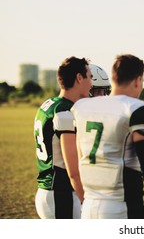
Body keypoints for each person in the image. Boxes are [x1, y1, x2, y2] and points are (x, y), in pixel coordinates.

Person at [71, 54, 144, 219]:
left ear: (114, 78)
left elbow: (80, 157)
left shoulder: (82, 107)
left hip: (89, 205)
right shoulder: (137, 109)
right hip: (121, 206)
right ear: (138, 80)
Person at [33, 56, 92, 219]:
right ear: (79, 78)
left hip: (46, 191)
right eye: (90, 77)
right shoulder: (66, 112)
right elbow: (73, 172)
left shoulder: (49, 104)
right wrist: (86, 202)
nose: (92, 84)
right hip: (60, 195)